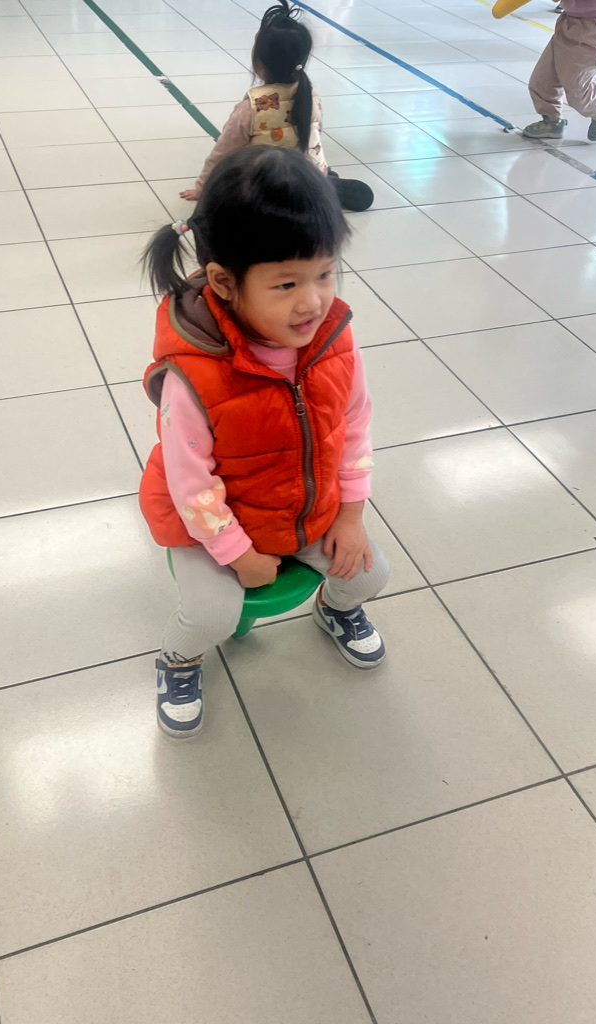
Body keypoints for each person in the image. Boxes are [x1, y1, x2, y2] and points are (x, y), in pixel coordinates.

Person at [140, 147, 389, 739]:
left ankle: (334, 610)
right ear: (225, 282)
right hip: (212, 524)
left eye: (325, 273)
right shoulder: (193, 375)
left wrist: (351, 514)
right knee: (212, 614)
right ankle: (177, 658)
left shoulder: (332, 339)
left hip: (301, 509)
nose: (313, 301)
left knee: (369, 574)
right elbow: (191, 486)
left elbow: (354, 424)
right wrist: (237, 554)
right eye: (286, 283)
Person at [179, 0, 374, 212]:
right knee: (308, 165)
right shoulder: (310, 93)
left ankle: (314, 187)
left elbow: (222, 153)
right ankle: (324, 184)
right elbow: (313, 136)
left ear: (259, 64)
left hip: (266, 192)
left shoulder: (252, 107)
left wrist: (203, 188)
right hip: (307, 178)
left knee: (234, 183)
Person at [524, 0, 596, 140]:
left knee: (577, 91)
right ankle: (552, 121)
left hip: (594, 24)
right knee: (543, 80)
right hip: (569, 19)